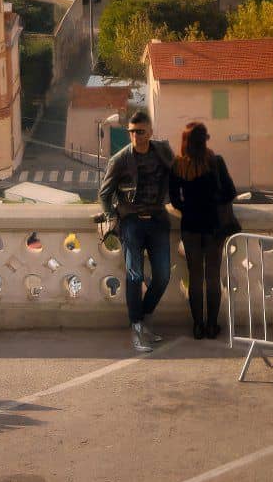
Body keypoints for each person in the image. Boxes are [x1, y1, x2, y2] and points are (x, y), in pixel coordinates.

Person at [99, 110, 175, 352]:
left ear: (150, 132)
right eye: (131, 131)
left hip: (158, 220)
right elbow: (104, 194)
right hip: (131, 222)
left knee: (163, 276)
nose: (134, 136)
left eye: (139, 131)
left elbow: (177, 177)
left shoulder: (163, 151)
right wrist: (112, 216)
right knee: (135, 275)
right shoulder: (120, 159)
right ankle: (137, 328)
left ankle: (142, 318)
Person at [170, 121, 238, 339]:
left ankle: (197, 326)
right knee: (212, 277)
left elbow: (173, 199)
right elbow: (230, 192)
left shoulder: (178, 165)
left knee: (195, 278)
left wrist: (188, 207)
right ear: (204, 141)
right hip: (213, 227)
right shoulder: (215, 162)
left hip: (190, 226)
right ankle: (211, 326)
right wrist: (212, 201)